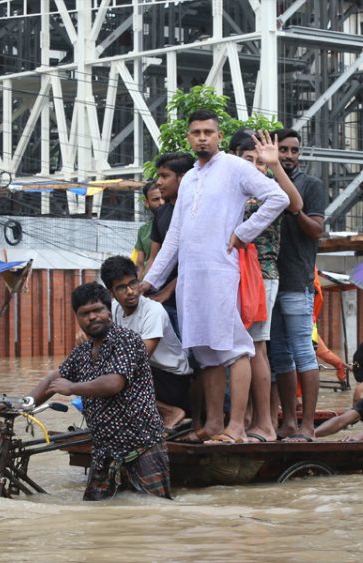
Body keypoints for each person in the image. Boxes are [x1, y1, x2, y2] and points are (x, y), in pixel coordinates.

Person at [140, 109, 289, 444]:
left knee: (235, 348)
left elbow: (276, 198)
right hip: (191, 278)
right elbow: (175, 236)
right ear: (189, 138)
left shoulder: (235, 167)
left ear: (219, 136)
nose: (203, 137)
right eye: (196, 132)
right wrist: (151, 280)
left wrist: (244, 232)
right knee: (205, 353)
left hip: (222, 272)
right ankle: (211, 425)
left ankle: (236, 427)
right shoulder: (190, 177)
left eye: (209, 131)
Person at [19, 282, 170, 501]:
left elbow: (113, 383)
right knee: (96, 520)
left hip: (142, 448)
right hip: (104, 453)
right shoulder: (82, 352)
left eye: (97, 310)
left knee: (153, 516)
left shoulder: (127, 340)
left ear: (109, 312)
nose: (92, 317)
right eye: (84, 314)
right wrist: (25, 403)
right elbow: (54, 378)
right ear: (78, 318)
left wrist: (72, 388)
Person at [235, 129, 303, 442]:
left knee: (256, 347)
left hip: (262, 274)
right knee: (238, 349)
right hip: (232, 276)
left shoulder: (269, 189)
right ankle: (246, 419)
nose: (254, 166)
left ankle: (264, 423)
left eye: (258, 161)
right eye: (248, 159)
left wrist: (274, 165)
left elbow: (295, 203)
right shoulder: (230, 186)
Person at [270, 127, 328, 443]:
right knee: (279, 355)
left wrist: (296, 209)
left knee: (303, 352)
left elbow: (316, 230)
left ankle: (308, 426)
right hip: (268, 284)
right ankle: (288, 422)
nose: (289, 156)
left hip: (297, 282)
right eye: (283, 150)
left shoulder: (311, 185)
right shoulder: (263, 184)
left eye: (294, 150)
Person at [100, 255, 193, 430]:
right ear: (111, 293)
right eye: (122, 288)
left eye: (133, 283)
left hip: (173, 381)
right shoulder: (113, 309)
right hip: (151, 377)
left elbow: (139, 357)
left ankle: (170, 412)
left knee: (115, 375)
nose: (130, 291)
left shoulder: (153, 311)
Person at [143, 152, 196, 335]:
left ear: (182, 178)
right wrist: (143, 286)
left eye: (164, 176)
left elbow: (193, 259)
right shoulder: (162, 213)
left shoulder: (197, 210)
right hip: (160, 298)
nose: (158, 182)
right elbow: (154, 257)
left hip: (189, 295)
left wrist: (167, 291)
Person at [133, 182, 164, 276]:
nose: (161, 202)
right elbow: (140, 265)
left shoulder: (176, 225)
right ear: (146, 203)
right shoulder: (143, 230)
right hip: (147, 281)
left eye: (163, 198)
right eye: (156, 199)